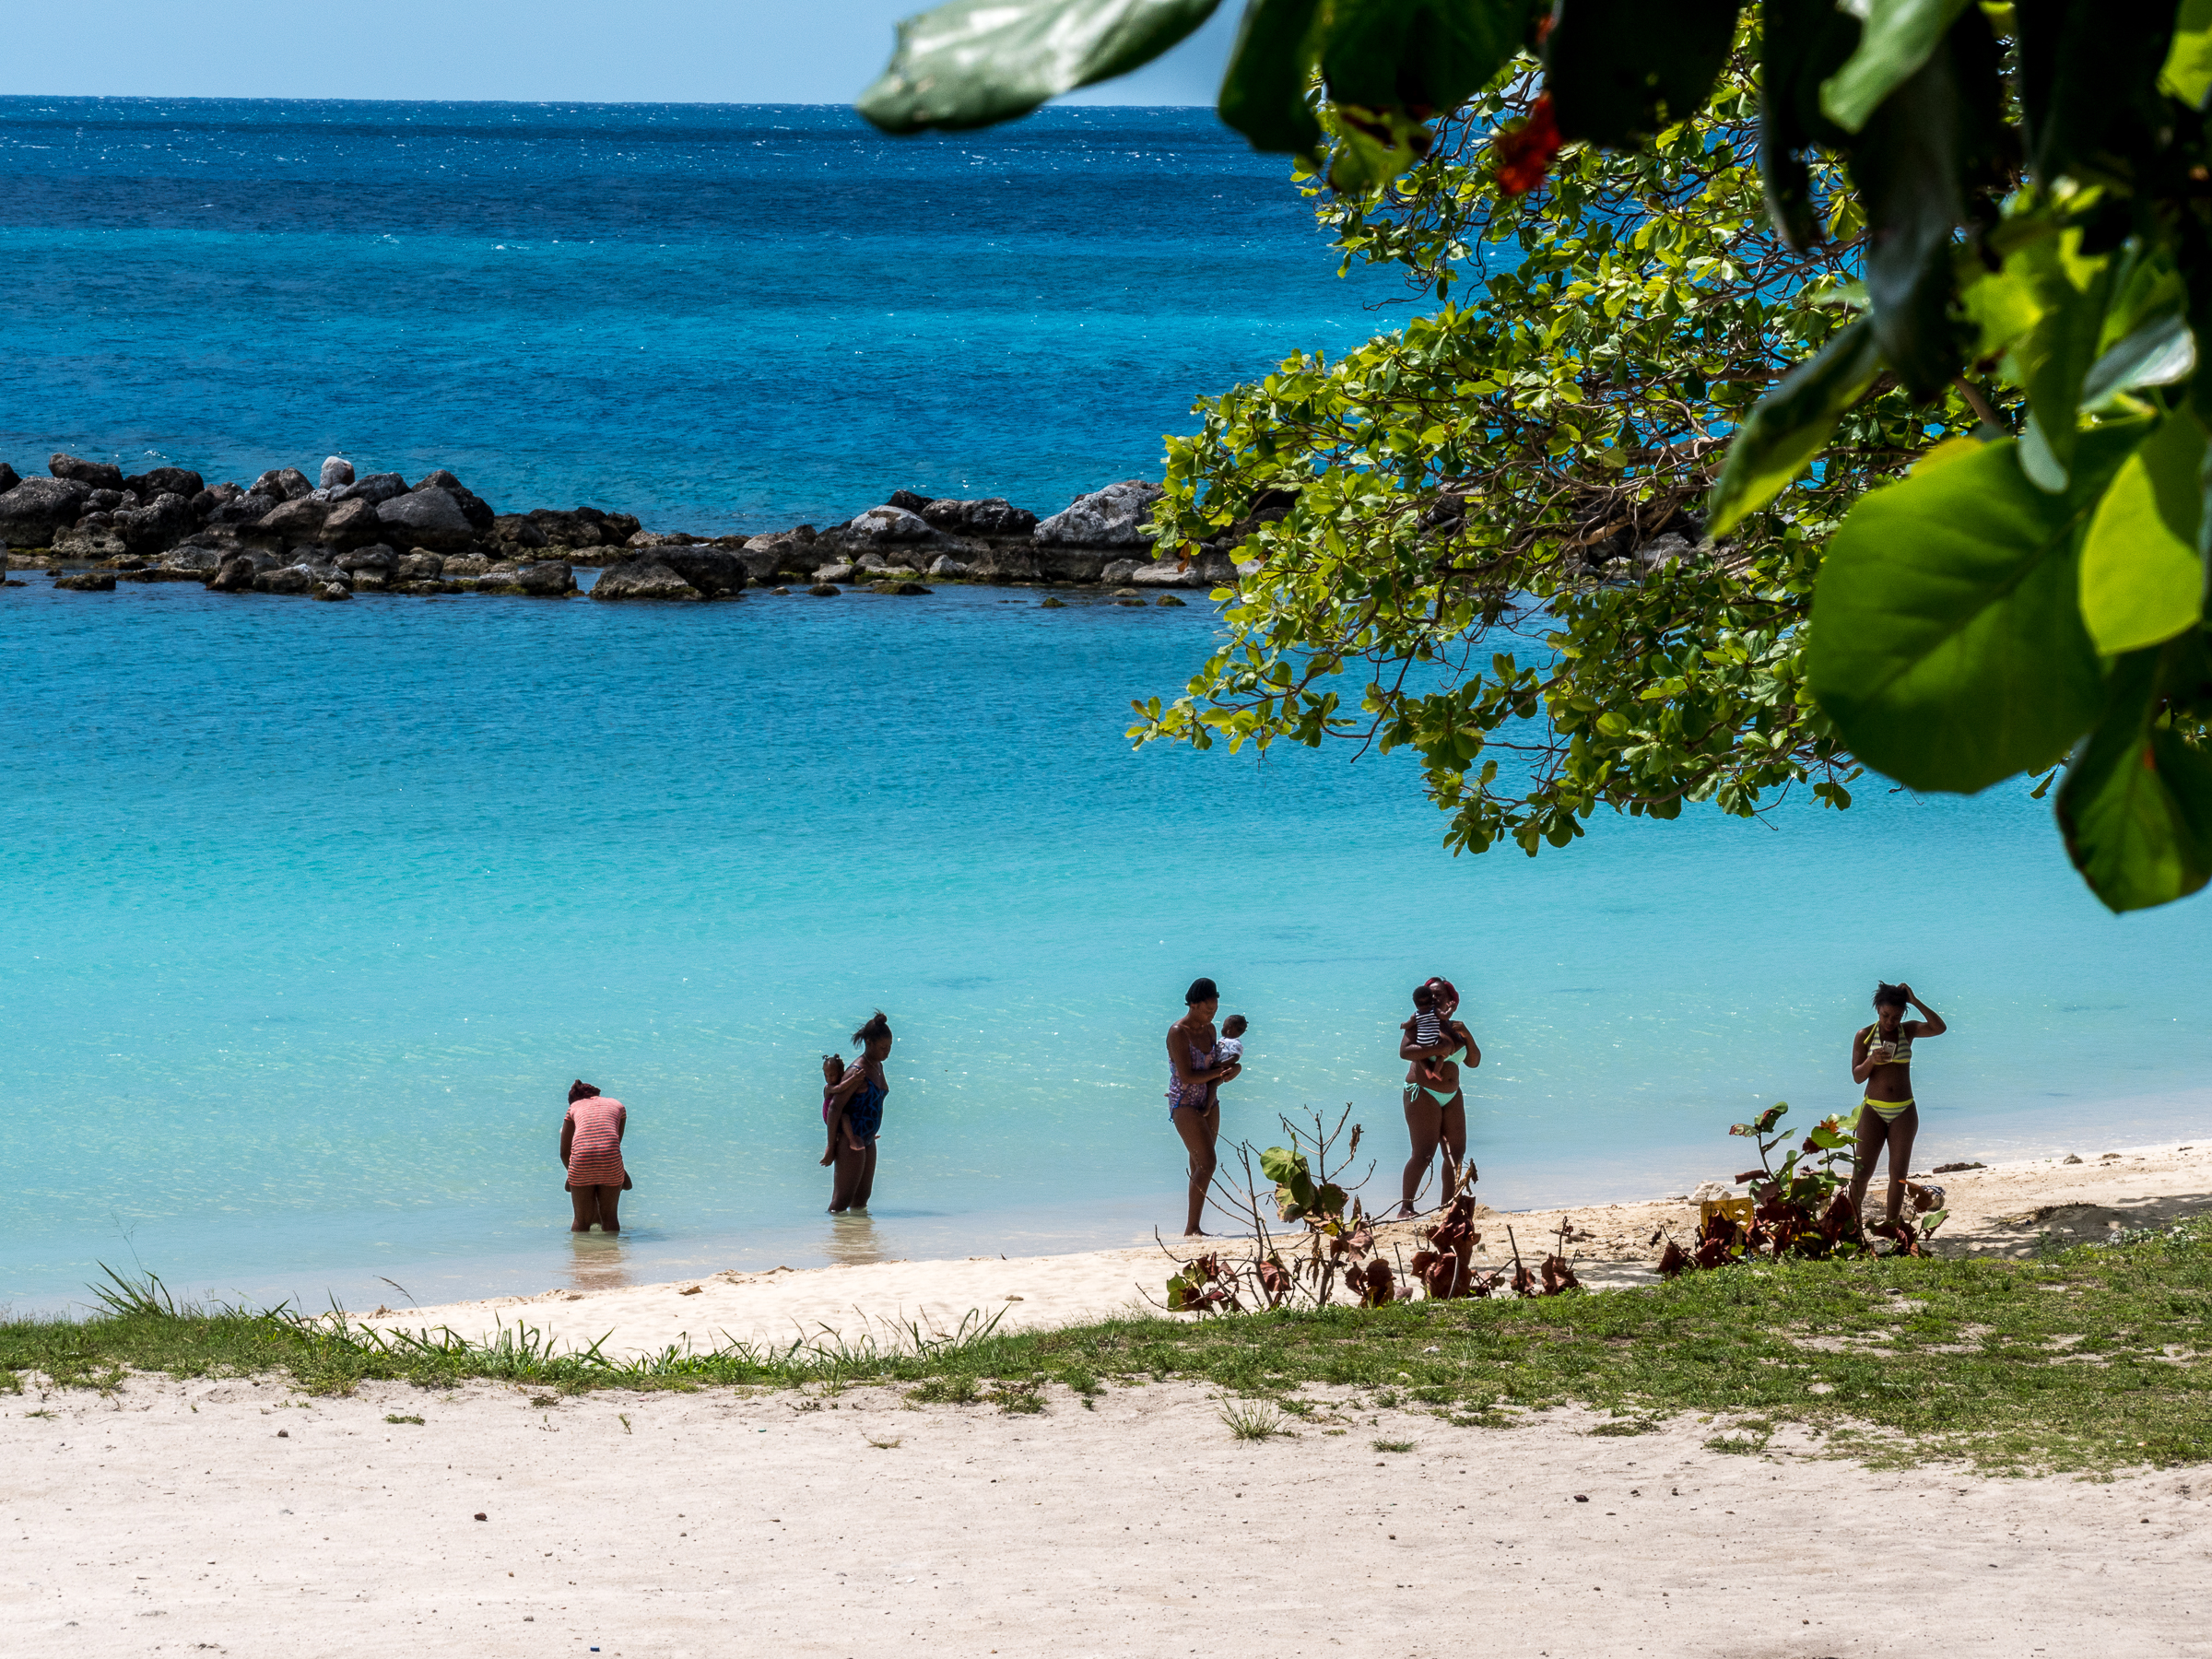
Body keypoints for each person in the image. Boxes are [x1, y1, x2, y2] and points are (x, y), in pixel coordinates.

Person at [1848, 982, 1947, 1228]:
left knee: (1899, 1175)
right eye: (1885, 1015)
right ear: (1878, 1009)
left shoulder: (1908, 1030)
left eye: (1896, 1016)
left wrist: (1915, 1001)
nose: (1890, 1021)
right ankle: (1850, 1227)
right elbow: (1858, 1076)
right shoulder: (1864, 1035)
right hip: (1873, 1109)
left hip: (1904, 1110)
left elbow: (1939, 1028)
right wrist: (1872, 1060)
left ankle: (1892, 1227)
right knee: (1861, 1174)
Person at [1167, 977, 1242, 1237]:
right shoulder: (1178, 1032)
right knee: (1208, 1163)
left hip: (1210, 1098)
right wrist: (1218, 1074)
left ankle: (1194, 1227)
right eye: (1208, 1009)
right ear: (1194, 1005)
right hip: (1184, 1102)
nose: (1212, 1014)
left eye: (1215, 1009)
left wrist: (1234, 1070)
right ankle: (1191, 1228)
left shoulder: (1210, 1030)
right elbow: (1188, 1076)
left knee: (1199, 1164)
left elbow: (1216, 1065)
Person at [1398, 976, 1479, 1218]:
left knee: (1456, 1154)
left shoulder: (1456, 1028)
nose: (1433, 999)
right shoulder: (1419, 1024)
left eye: (1439, 995)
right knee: (1423, 1154)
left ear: (1450, 1000)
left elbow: (1473, 1062)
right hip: (1422, 1093)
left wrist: (1467, 1034)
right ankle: (1406, 1208)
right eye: (1430, 995)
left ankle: (1448, 1206)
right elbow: (1405, 1052)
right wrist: (1437, 1049)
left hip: (1452, 1095)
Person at [821, 1010, 893, 1213]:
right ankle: (827, 1231)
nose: (887, 1052)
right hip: (850, 1139)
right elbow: (835, 1107)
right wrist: (831, 1146)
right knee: (841, 1200)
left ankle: (856, 1234)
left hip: (868, 1138)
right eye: (883, 1047)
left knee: (861, 1199)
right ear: (869, 1043)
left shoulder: (878, 1066)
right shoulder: (857, 1071)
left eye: (889, 1047)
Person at [560, 1079, 628, 1234]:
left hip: (581, 1160)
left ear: (574, 1100)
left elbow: (565, 1152)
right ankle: (612, 1249)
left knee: (581, 1220)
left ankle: (581, 1250)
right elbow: (613, 1144)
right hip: (610, 1159)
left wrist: (572, 1174)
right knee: (610, 1217)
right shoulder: (618, 1105)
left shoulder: (574, 1107)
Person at [818, 1053, 863, 1169]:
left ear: (841, 1073)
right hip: (830, 1116)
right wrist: (854, 1078)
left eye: (832, 1075)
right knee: (844, 1117)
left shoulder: (842, 1081)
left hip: (839, 1112)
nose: (828, 1078)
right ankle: (851, 1140)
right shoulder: (828, 1088)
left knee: (853, 1113)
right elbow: (840, 1088)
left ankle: (864, 1134)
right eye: (826, 1075)